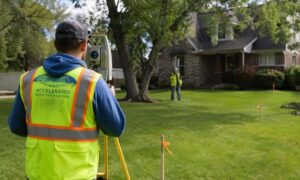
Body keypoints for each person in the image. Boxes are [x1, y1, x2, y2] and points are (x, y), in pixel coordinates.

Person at [8, 20, 125, 180]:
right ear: (84, 45)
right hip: (79, 175)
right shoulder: (93, 82)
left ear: (56, 44)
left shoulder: (28, 79)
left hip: (38, 173)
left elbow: (16, 126)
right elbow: (115, 128)